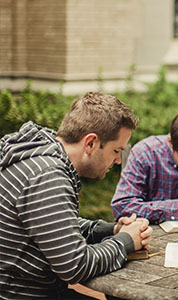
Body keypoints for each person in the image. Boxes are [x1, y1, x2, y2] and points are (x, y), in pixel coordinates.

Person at [0, 92, 152, 299]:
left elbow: (55, 225)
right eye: (116, 150)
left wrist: (112, 229)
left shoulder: (41, 157)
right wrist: (126, 241)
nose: (118, 160)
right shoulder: (48, 177)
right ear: (90, 143)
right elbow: (75, 265)